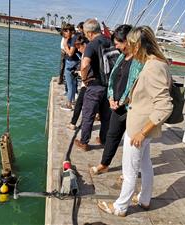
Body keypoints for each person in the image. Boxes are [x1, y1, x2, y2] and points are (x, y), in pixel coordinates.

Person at [97, 26, 173, 216]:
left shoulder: (152, 67)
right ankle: (145, 199)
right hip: (142, 125)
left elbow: (165, 105)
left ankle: (120, 207)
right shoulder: (157, 62)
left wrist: (142, 132)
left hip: (139, 128)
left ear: (138, 45)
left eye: (130, 44)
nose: (128, 48)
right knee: (145, 165)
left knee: (129, 170)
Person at [90, 25, 144, 174]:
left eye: (118, 43)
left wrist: (123, 101)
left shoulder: (140, 61)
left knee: (132, 143)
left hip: (132, 108)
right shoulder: (121, 56)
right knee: (112, 135)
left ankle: (131, 172)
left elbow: (137, 85)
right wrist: (111, 98)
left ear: (128, 41)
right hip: (117, 105)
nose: (115, 46)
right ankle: (104, 164)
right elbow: (114, 80)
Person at [74, 18, 111, 151]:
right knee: (106, 116)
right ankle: (103, 138)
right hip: (108, 86)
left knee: (88, 115)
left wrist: (84, 79)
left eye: (84, 33)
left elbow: (85, 64)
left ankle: (84, 143)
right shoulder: (109, 41)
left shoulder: (92, 45)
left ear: (89, 33)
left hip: (95, 85)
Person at [67, 34, 89, 130]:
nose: (78, 50)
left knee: (79, 103)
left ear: (84, 44)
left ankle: (73, 123)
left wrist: (80, 74)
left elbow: (85, 68)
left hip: (87, 84)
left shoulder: (88, 54)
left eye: (79, 47)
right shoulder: (86, 53)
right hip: (89, 83)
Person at [60, 24, 81, 111]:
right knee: (72, 83)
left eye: (65, 31)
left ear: (69, 31)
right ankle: (72, 101)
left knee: (69, 84)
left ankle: (69, 104)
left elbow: (70, 53)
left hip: (71, 63)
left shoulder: (73, 39)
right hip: (75, 62)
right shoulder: (75, 37)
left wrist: (65, 45)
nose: (64, 34)